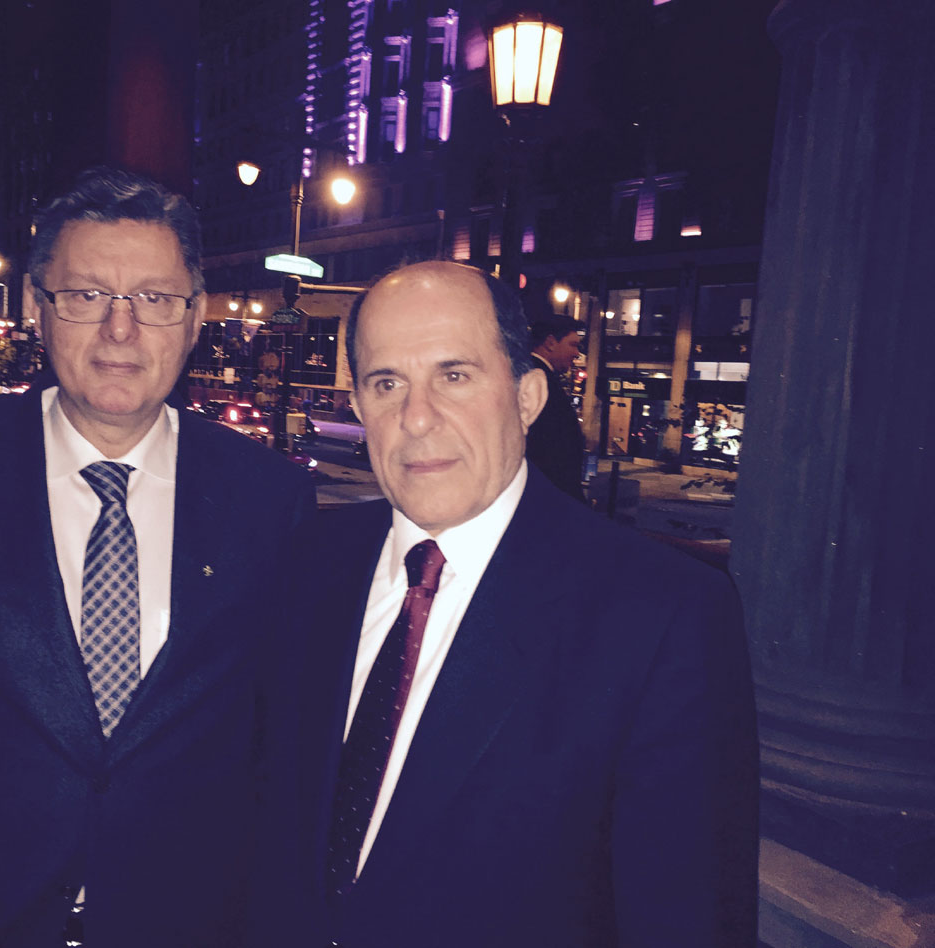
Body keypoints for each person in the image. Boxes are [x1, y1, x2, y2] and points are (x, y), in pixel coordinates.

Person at [0, 167, 316, 947]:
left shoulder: (270, 498)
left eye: (154, 298)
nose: (121, 329)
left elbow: (280, 750)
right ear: (38, 308)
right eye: (86, 295)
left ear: (193, 318)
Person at [255, 261, 757, 947]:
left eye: (454, 375)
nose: (416, 417)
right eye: (386, 382)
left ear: (526, 397)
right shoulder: (310, 559)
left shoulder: (664, 615)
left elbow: (687, 918)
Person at [526, 315, 586, 501]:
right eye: (573, 345)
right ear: (550, 342)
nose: (577, 353)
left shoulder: (536, 375)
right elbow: (547, 449)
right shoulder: (538, 380)